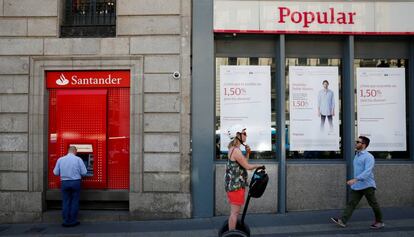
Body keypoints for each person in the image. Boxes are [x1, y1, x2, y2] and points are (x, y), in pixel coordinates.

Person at [331, 136, 384, 229]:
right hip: (358, 185)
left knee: (373, 204)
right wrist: (356, 181)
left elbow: (367, 172)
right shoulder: (357, 155)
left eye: (358, 142)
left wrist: (355, 179)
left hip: (367, 185)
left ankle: (379, 222)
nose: (356, 143)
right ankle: (343, 221)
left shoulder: (369, 157)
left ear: (363, 145)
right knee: (351, 203)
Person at [224, 124, 263, 231]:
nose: (246, 135)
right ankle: (231, 234)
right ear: (237, 135)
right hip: (235, 187)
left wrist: (248, 153)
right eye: (244, 133)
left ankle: (232, 231)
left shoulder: (234, 149)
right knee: (234, 213)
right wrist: (259, 165)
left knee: (235, 212)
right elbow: (247, 166)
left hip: (235, 185)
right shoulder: (236, 151)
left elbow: (243, 163)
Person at [53, 146, 87, 227]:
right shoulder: (78, 159)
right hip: (75, 182)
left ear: (68, 151)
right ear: (75, 151)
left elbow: (56, 173)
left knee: (66, 201)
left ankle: (66, 221)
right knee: (74, 201)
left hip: (64, 182)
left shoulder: (60, 159)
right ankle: (73, 221)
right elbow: (84, 172)